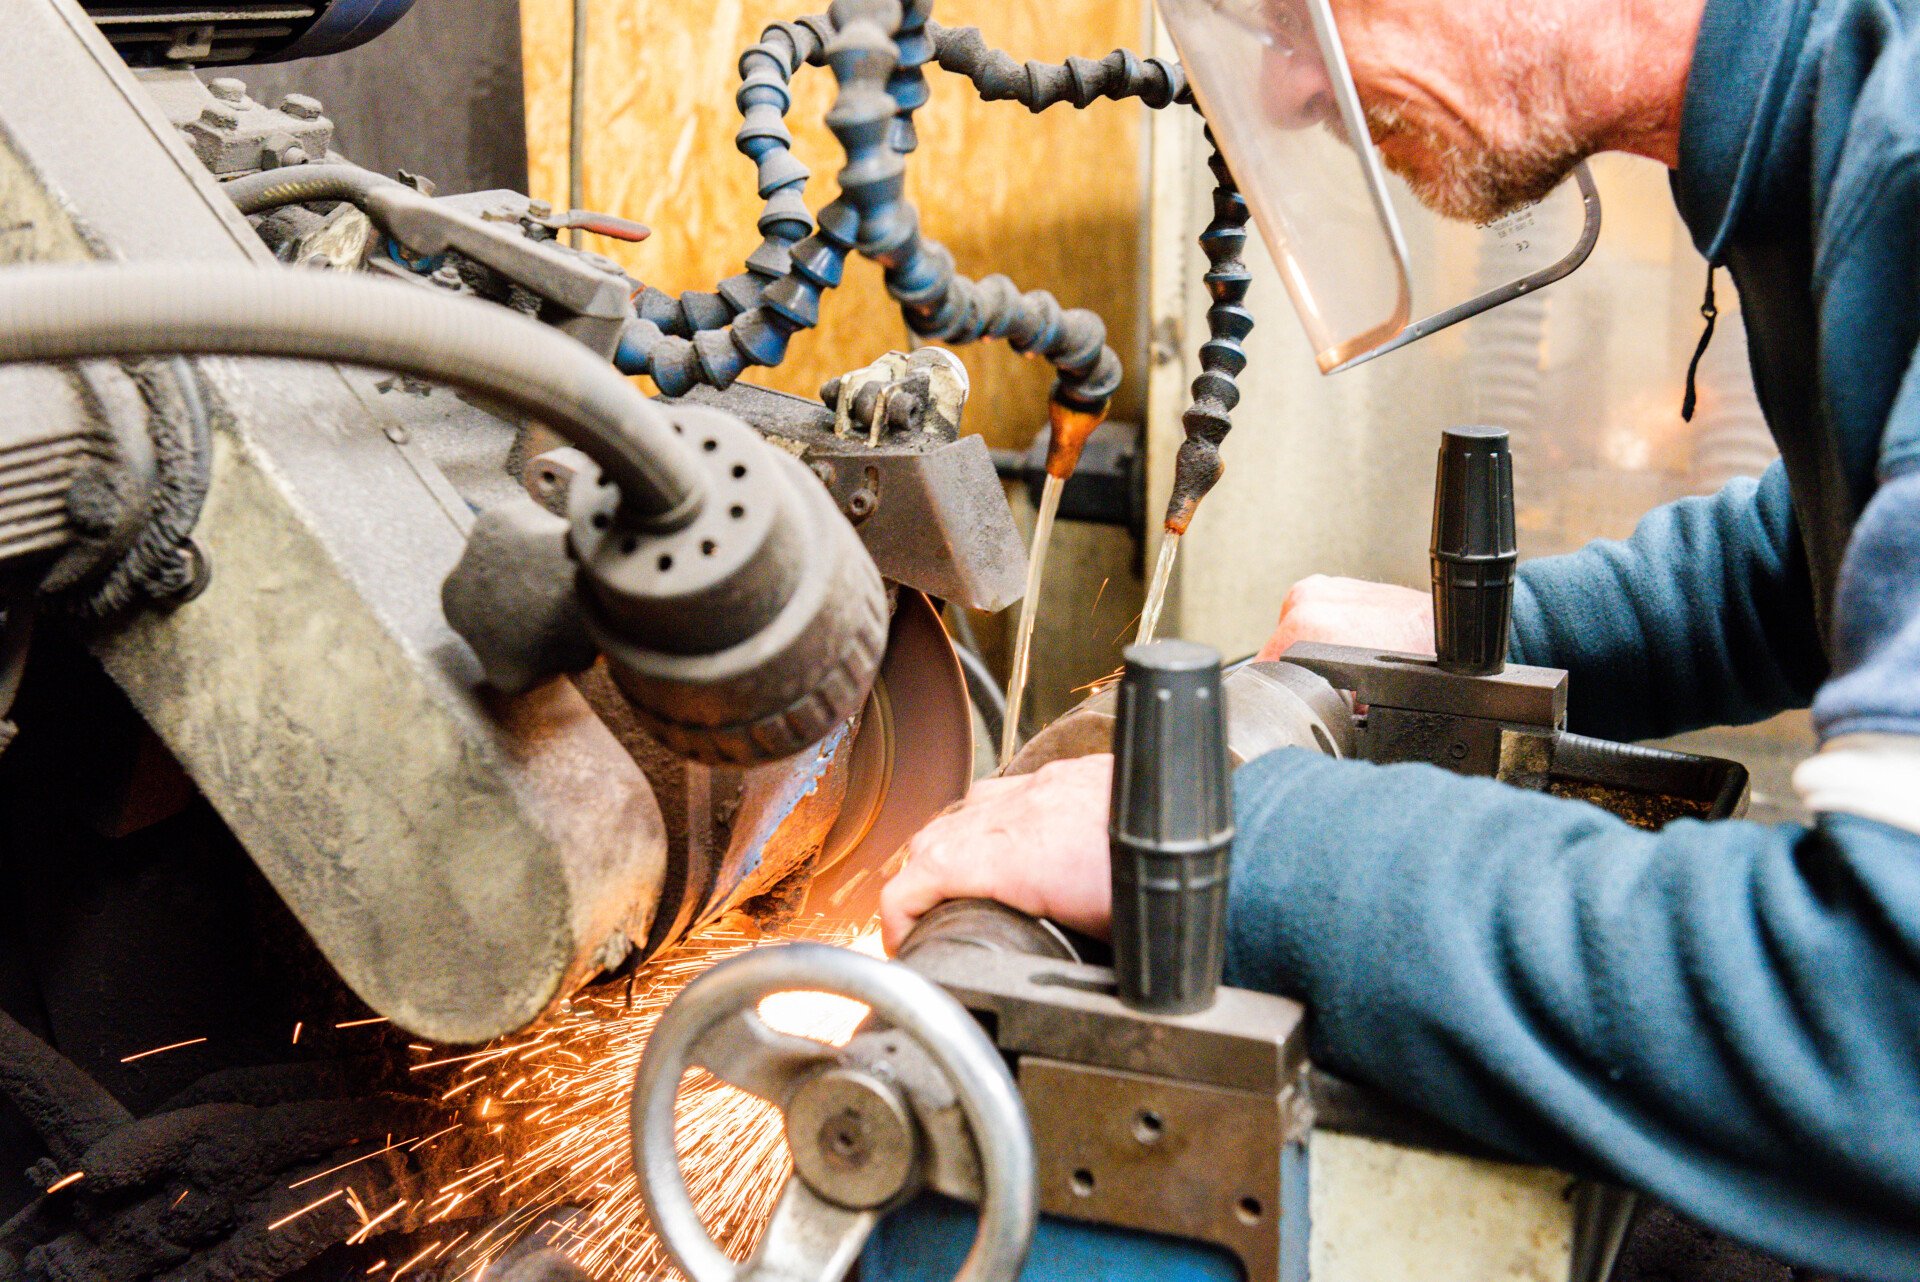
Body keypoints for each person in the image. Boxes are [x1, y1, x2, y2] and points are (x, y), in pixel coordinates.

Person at [880, 0, 1920, 1275]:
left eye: (1290, 19)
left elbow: (1884, 1012)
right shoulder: (1834, 117)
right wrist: (1514, 630)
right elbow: (1830, 550)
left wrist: (1257, 852)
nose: (1283, 97)